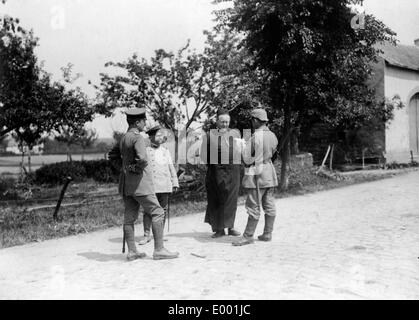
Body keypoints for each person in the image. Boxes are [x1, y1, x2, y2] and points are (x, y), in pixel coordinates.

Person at [108, 107, 179, 261]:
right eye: (144, 121)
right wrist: (134, 168)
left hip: (126, 185)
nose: (145, 123)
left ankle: (132, 251)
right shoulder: (138, 137)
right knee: (158, 212)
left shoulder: (123, 137)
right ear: (138, 122)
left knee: (129, 218)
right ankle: (159, 249)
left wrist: (124, 168)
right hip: (140, 183)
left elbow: (112, 155)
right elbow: (143, 159)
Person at [233, 108, 278, 246]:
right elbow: (274, 154)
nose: (251, 122)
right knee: (269, 204)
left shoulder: (256, 137)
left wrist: (240, 148)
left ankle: (247, 236)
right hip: (269, 172)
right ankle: (267, 233)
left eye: (252, 120)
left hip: (256, 174)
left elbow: (247, 159)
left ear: (256, 120)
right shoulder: (272, 135)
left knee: (253, 205)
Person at [201, 108, 242, 238]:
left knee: (231, 198)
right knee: (216, 199)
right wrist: (215, 165)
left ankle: (230, 227)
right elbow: (203, 155)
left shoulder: (236, 133)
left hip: (233, 170)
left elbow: (240, 150)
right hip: (216, 170)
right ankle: (219, 229)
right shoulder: (209, 135)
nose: (225, 124)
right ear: (216, 121)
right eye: (222, 122)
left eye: (227, 122)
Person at [138, 125, 179, 245]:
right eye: (158, 135)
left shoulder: (165, 151)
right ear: (151, 137)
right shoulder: (146, 151)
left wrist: (174, 182)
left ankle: (159, 234)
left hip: (165, 185)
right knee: (148, 211)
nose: (162, 138)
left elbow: (171, 167)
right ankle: (146, 235)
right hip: (151, 186)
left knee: (163, 210)